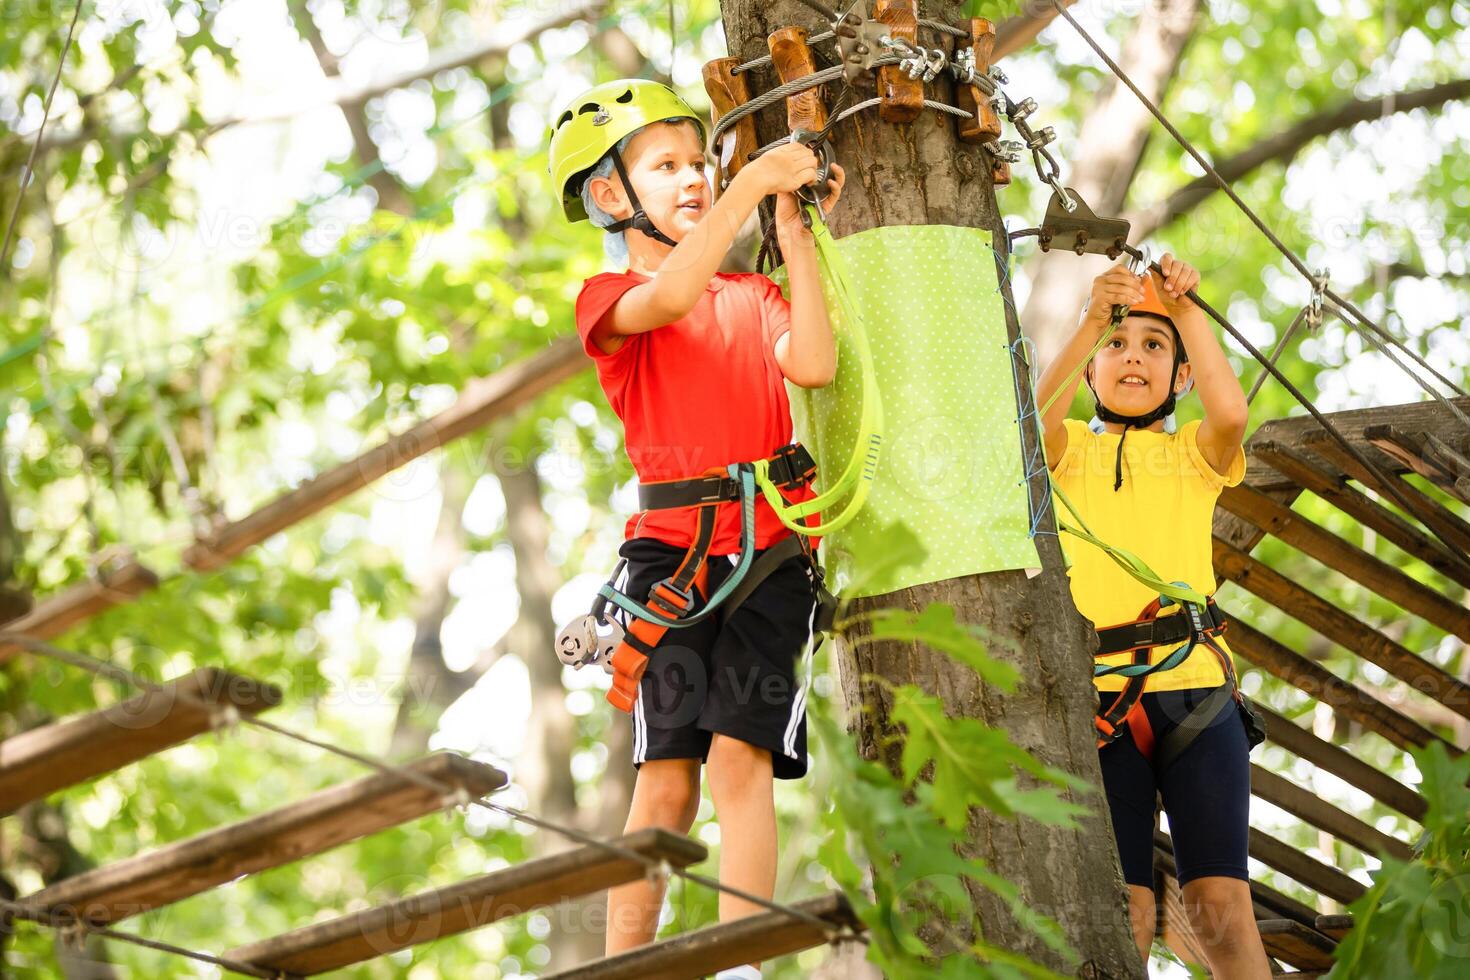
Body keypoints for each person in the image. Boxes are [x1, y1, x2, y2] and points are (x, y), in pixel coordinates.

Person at [548, 79, 844, 978]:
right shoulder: (609, 297)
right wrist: (748, 188)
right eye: (664, 166)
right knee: (666, 777)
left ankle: (740, 959)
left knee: (736, 759)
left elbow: (818, 364)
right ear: (610, 196)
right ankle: (626, 966)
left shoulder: (751, 296)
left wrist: (792, 233)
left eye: (698, 164)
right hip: (669, 564)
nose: (693, 180)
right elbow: (672, 298)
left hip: (770, 555)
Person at [1036, 254, 1270, 978]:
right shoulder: (1067, 451)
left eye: (1153, 345)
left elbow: (1232, 414)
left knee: (1218, 906)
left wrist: (1188, 310)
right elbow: (1026, 422)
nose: (1132, 356)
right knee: (1125, 913)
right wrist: (1087, 324)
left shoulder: (1193, 455)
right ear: (1091, 372)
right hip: (1101, 702)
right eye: (1117, 345)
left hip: (1194, 687)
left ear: (1181, 375)